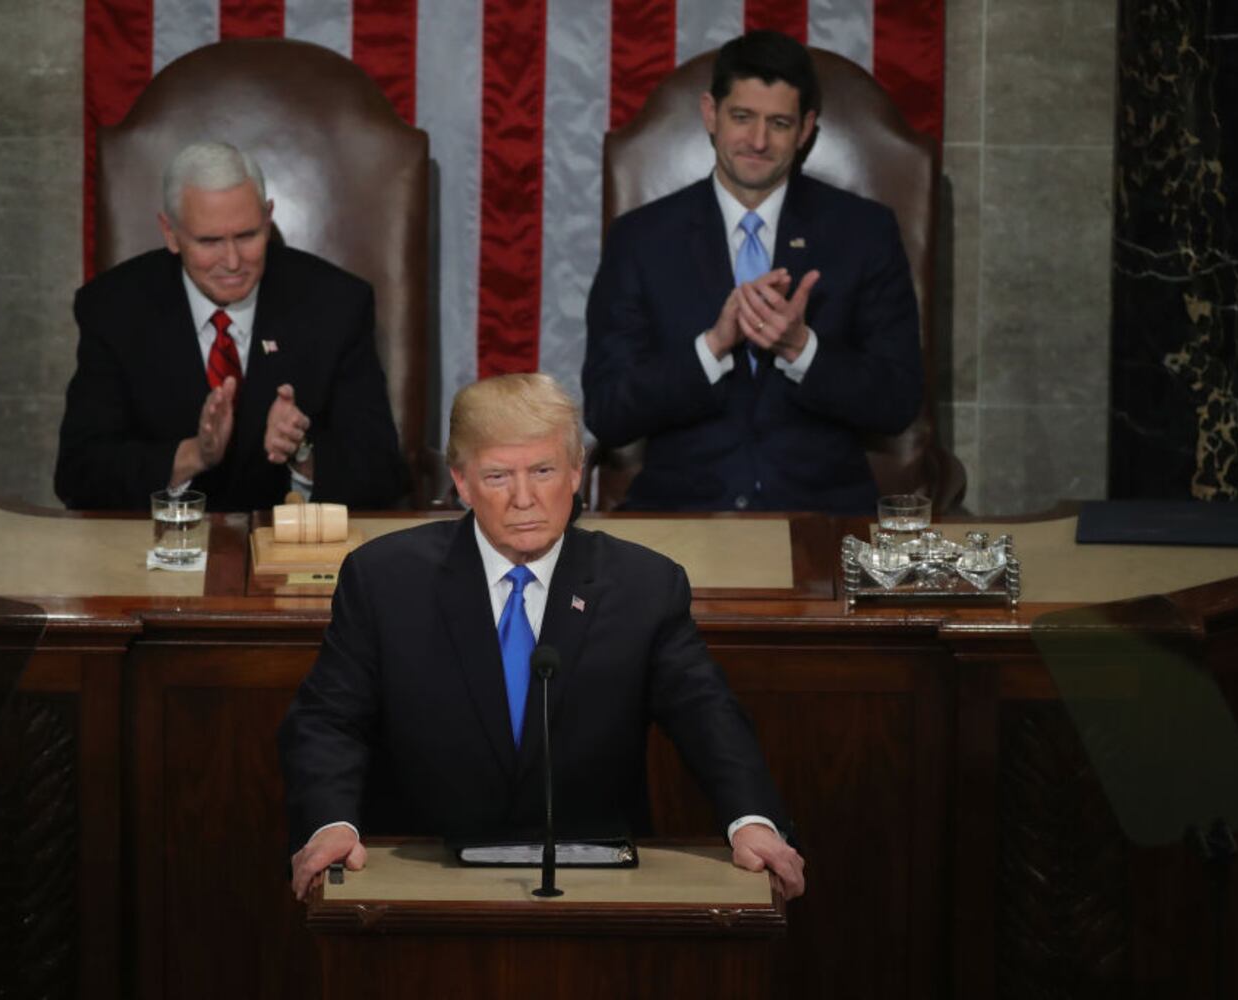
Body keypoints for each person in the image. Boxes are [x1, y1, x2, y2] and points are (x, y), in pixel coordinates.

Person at [278, 373, 805, 902]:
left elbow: (706, 714)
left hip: (595, 881)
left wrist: (750, 819)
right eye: (498, 476)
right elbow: (328, 720)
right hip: (421, 871)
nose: (523, 499)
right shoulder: (384, 580)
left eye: (543, 470)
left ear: (576, 471)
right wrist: (331, 826)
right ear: (461, 481)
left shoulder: (644, 586)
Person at [583, 30, 924, 514]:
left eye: (779, 123)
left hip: (823, 518)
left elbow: (897, 401)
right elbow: (608, 411)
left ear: (806, 129)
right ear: (711, 114)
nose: (758, 141)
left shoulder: (863, 232)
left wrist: (800, 349)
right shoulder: (641, 238)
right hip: (682, 515)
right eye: (742, 117)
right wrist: (712, 347)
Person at [54, 141, 407, 512]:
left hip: (288, 551)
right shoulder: (114, 309)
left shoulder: (335, 305)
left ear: (268, 218)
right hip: (159, 551)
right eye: (209, 241)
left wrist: (301, 452)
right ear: (170, 233)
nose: (233, 261)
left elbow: (384, 474)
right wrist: (194, 455)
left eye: (247, 236)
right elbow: (79, 475)